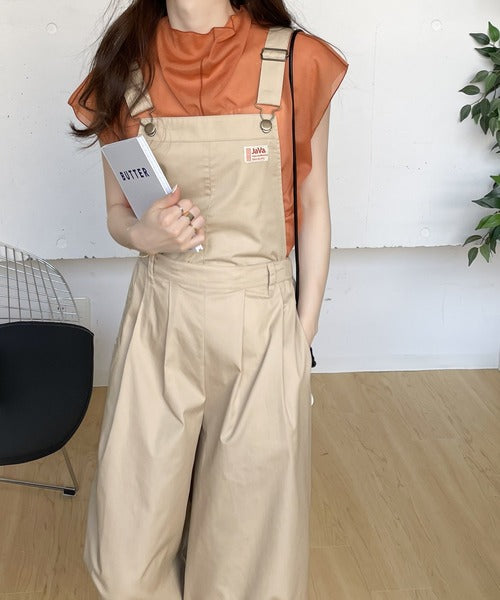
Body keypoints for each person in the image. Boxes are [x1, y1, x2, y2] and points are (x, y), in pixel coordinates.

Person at [67, 1, 348, 598]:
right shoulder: (124, 65)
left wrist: (302, 333)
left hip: (261, 323)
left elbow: (315, 201)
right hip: (159, 317)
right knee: (124, 556)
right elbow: (118, 211)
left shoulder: (297, 61)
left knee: (245, 558)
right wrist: (144, 235)